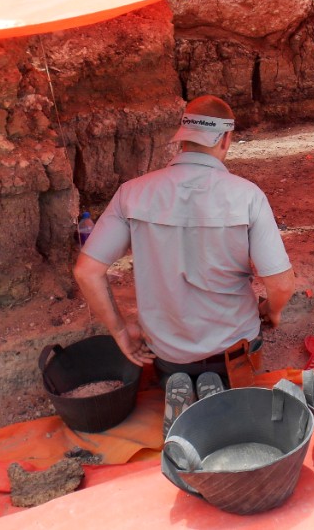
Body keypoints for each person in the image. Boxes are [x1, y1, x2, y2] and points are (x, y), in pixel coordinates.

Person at [73, 95, 296, 436]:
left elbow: (87, 271)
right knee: (237, 354)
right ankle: (216, 388)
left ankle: (177, 382)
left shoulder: (132, 193)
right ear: (225, 139)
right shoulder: (247, 195)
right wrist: (273, 311)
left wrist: (121, 331)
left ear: (183, 137)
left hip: (166, 350)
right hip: (232, 348)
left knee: (175, 363)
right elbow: (280, 284)